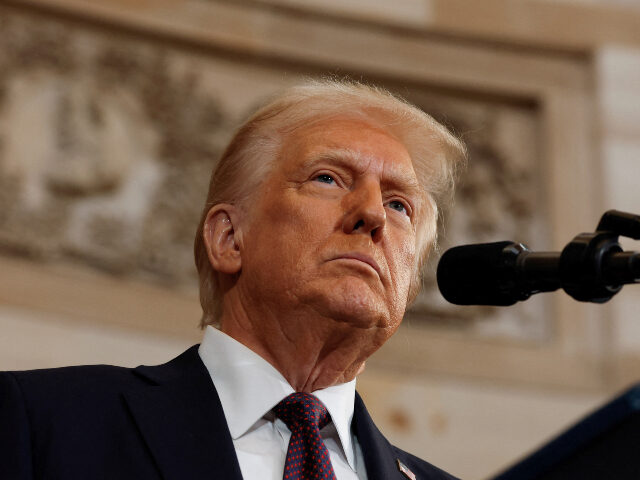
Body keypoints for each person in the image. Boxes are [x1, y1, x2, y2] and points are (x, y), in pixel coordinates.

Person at [0, 80, 466, 480]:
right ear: (228, 238)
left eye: (399, 205)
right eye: (328, 178)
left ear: (409, 281)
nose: (371, 214)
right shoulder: (46, 422)